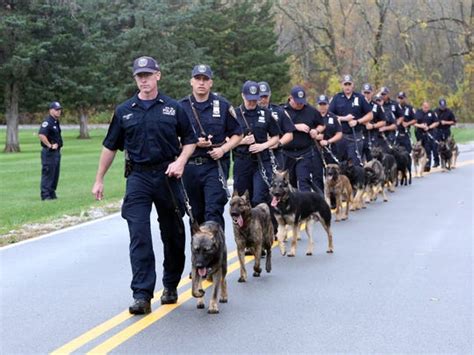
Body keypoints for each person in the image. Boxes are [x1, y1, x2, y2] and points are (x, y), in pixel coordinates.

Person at [91, 56, 197, 314]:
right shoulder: (124, 110)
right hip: (137, 177)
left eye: (148, 74)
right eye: (140, 76)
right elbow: (110, 146)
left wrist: (181, 161)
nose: (144, 79)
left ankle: (171, 284)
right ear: (135, 79)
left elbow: (191, 140)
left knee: (173, 233)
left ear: (158, 75)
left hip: (168, 175)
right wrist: (99, 179)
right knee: (139, 235)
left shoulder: (173, 108)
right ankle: (142, 294)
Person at [179, 64, 242, 230]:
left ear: (211, 83)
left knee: (213, 212)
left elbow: (238, 134)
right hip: (190, 167)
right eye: (198, 79)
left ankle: (217, 254)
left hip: (215, 166)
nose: (201, 83)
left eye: (205, 79)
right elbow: (172, 138)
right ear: (191, 81)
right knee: (196, 214)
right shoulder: (181, 107)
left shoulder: (221, 105)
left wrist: (223, 149)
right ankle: (200, 252)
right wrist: (193, 142)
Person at [232, 80, 280, 206]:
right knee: (242, 200)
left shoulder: (266, 113)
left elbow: (276, 137)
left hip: (261, 162)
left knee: (259, 199)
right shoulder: (234, 114)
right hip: (242, 161)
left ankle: (265, 225)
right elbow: (225, 140)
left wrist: (263, 145)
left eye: (255, 99)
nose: (252, 102)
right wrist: (241, 141)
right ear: (243, 96)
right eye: (249, 99)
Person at [281, 86, 325, 192]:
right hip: (287, 153)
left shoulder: (310, 110)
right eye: (297, 102)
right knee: (289, 182)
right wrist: (295, 127)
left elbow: (322, 124)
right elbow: (277, 128)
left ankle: (306, 207)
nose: (300, 104)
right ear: (290, 98)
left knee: (304, 180)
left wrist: (316, 131)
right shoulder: (282, 110)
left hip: (305, 152)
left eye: (302, 102)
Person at [328, 75, 373, 166]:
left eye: (349, 84)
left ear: (353, 85)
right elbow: (329, 115)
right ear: (342, 85)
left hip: (355, 136)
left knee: (355, 165)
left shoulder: (360, 97)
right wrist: (344, 118)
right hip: (341, 137)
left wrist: (357, 121)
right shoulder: (337, 98)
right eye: (345, 84)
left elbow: (370, 115)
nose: (347, 86)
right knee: (341, 165)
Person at [257, 81, 295, 169]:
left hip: (275, 153)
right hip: (256, 155)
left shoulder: (279, 111)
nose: (263, 100)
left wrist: (278, 143)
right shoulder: (249, 113)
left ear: (269, 95)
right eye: (260, 97)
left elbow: (289, 134)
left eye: (265, 97)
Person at [38, 101, 63, 200]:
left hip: (56, 153)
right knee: (48, 173)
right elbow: (41, 135)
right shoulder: (47, 122)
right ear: (51, 110)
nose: (59, 111)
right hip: (49, 153)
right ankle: (45, 195)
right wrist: (50, 145)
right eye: (56, 110)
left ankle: (52, 193)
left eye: (59, 110)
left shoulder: (55, 122)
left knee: (55, 173)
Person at [314, 94, 342, 165]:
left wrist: (328, 141)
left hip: (331, 148)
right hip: (316, 150)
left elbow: (339, 134)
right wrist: (315, 137)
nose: (322, 106)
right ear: (317, 105)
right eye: (320, 104)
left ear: (328, 105)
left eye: (324, 104)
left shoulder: (333, 117)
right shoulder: (312, 117)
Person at [414, 101, 439, 171]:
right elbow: (413, 122)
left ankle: (427, 165)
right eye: (425, 107)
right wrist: (420, 126)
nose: (426, 109)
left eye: (427, 107)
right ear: (422, 106)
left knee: (428, 149)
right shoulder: (418, 112)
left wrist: (429, 127)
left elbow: (436, 122)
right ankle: (419, 163)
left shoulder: (432, 113)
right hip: (419, 133)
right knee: (419, 149)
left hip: (429, 133)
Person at [377, 86, 401, 152]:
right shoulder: (374, 108)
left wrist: (397, 123)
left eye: (384, 94)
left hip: (389, 134)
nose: (382, 96)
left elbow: (400, 116)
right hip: (376, 136)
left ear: (388, 94)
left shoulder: (393, 105)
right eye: (381, 94)